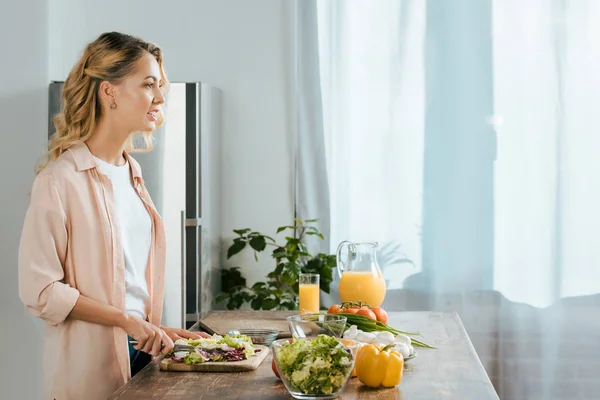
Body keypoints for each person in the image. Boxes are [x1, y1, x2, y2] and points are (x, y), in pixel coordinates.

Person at [18, 32, 210, 400]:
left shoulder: (132, 174)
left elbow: (127, 287)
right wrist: (124, 321)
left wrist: (159, 329)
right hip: (90, 373)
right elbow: (39, 291)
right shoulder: (59, 181)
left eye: (160, 86)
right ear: (109, 93)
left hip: (143, 356)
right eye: (148, 84)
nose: (159, 97)